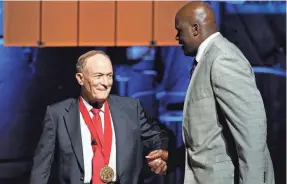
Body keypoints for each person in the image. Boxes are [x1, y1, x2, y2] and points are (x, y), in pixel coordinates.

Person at [30, 50, 168, 184]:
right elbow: (42, 168)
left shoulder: (131, 109)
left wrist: (159, 154)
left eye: (109, 76)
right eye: (98, 76)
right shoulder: (58, 115)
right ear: (80, 78)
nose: (106, 83)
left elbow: (156, 137)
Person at [175, 2, 274, 184]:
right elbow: (211, 140)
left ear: (195, 29)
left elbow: (251, 132)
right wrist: (174, 157)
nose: (177, 37)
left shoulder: (222, 58)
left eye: (179, 30)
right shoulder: (208, 59)